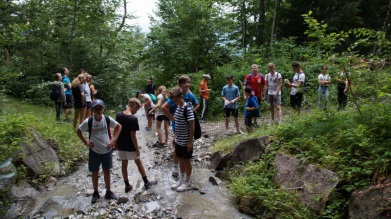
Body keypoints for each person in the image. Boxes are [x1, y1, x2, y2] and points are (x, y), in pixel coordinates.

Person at [76, 99, 122, 204]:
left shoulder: (107, 119)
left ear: (103, 109)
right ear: (92, 109)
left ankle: (109, 192)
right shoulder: (89, 121)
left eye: (100, 108)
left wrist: (114, 140)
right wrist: (86, 142)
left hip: (107, 150)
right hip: (94, 151)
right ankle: (95, 192)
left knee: (107, 171)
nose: (98, 110)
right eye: (96, 108)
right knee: (95, 171)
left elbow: (119, 126)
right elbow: (78, 131)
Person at [115, 98, 157, 192]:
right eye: (137, 110)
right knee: (138, 162)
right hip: (130, 145)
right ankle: (146, 182)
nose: (136, 112)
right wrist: (137, 149)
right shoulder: (133, 119)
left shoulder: (118, 115)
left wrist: (116, 142)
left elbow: (116, 129)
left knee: (124, 163)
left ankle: (127, 185)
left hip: (121, 143)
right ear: (134, 106)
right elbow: (133, 135)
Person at [161, 75, 199, 177]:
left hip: (186, 132)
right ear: (180, 84)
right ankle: (177, 170)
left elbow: (192, 126)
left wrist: (192, 112)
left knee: (185, 157)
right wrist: (172, 119)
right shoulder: (177, 101)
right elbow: (164, 107)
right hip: (178, 129)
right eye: (186, 82)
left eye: (189, 83)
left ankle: (186, 179)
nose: (188, 84)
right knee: (179, 152)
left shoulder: (189, 98)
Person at [169, 87, 195, 192]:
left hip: (186, 140)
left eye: (176, 100)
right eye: (173, 100)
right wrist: (174, 137)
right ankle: (181, 179)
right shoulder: (178, 108)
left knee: (186, 161)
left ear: (181, 97)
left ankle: (187, 182)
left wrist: (190, 142)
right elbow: (178, 124)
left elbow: (192, 126)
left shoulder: (187, 108)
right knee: (180, 160)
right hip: (179, 139)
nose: (175, 102)